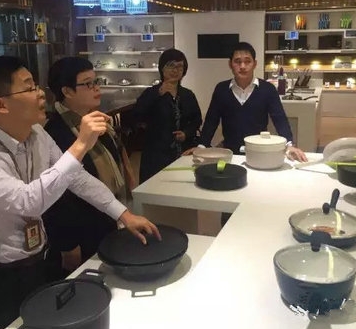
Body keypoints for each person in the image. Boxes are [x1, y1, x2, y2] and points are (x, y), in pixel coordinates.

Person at [0, 56, 160, 329]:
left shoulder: (37, 135)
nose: (40, 93)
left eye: (37, 85)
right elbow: (28, 202)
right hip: (5, 276)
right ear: (1, 105)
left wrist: (124, 214)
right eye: (29, 87)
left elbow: (77, 178)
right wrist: (81, 145)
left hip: (45, 261)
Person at [43, 56, 137, 278]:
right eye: (88, 84)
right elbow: (57, 194)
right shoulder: (55, 132)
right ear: (67, 91)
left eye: (97, 81)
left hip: (106, 219)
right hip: (82, 231)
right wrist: (68, 244)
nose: (96, 88)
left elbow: (116, 162)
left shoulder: (96, 120)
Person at [198, 41, 308, 162]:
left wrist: (289, 145)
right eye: (237, 61)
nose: (242, 66)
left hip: (260, 153)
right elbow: (211, 120)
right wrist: (202, 146)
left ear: (255, 64)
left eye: (247, 61)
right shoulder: (221, 89)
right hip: (230, 153)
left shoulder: (268, 89)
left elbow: (280, 119)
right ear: (230, 64)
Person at [134, 48, 202, 182]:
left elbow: (197, 120)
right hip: (156, 154)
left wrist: (186, 133)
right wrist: (158, 94)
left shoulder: (188, 95)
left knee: (181, 185)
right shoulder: (151, 93)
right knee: (156, 186)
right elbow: (137, 115)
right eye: (171, 66)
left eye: (180, 66)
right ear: (162, 68)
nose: (175, 70)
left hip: (183, 151)